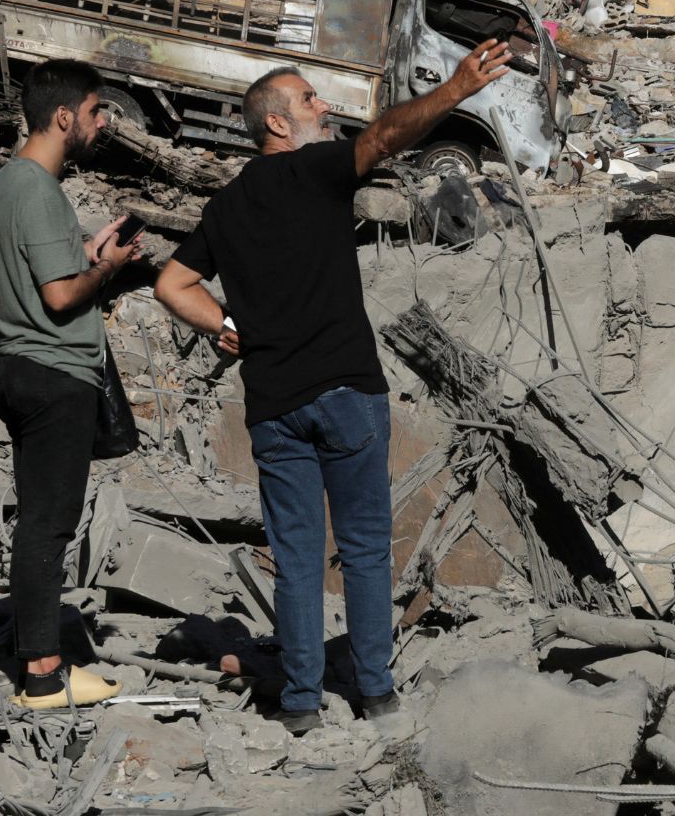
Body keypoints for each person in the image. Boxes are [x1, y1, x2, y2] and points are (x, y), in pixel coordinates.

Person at [154, 38, 513, 734]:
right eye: (310, 100)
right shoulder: (317, 170)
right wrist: (456, 89)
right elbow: (382, 136)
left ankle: (300, 703)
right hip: (347, 393)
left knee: (295, 556)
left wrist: (221, 324)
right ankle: (375, 691)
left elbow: (171, 283)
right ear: (278, 125)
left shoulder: (224, 209)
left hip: (274, 406)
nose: (324, 109)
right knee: (365, 546)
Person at [0, 60, 144, 710]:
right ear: (63, 116)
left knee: (38, 522)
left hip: (20, 368)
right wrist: (105, 270)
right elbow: (58, 297)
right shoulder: (41, 190)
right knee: (49, 527)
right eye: (97, 110)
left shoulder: (7, 186)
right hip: (55, 374)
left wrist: (87, 255)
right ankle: (44, 675)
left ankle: (39, 660)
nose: (104, 122)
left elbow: (38, 279)